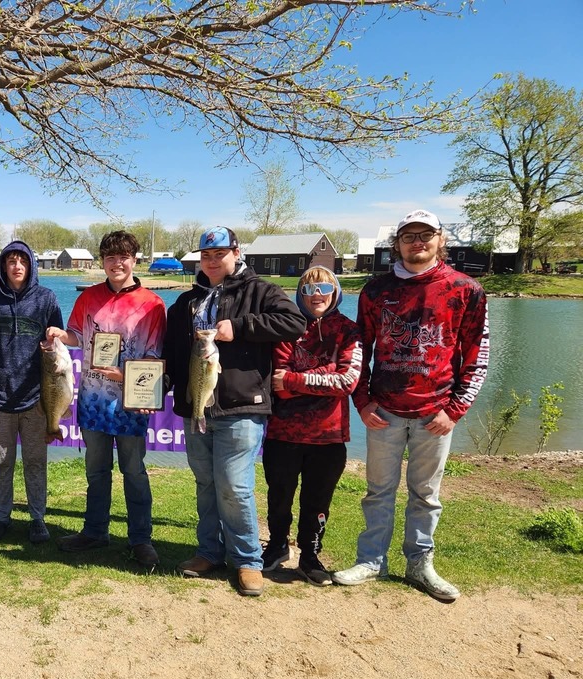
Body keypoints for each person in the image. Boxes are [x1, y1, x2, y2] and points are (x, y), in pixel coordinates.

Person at [333, 209, 489, 602]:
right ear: (397, 243)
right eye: (408, 236)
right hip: (384, 410)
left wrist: (455, 410)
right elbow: (358, 350)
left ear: (440, 240)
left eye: (426, 235)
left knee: (426, 494)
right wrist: (363, 400)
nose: (417, 242)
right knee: (377, 491)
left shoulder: (465, 289)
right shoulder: (375, 290)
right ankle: (371, 560)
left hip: (435, 412)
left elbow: (477, 354)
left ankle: (420, 564)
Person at [163, 227, 306, 596]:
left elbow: (295, 322)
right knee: (206, 483)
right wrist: (151, 388)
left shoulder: (261, 291)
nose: (212, 261)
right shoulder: (185, 303)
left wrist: (240, 327)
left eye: (220, 254)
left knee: (234, 485)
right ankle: (209, 551)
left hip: (242, 406)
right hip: (196, 405)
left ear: (236, 253)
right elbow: (175, 356)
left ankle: (247, 560)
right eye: (206, 255)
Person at [44, 230, 166, 569]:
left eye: (124, 256)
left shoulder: (152, 304)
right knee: (96, 472)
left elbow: (155, 356)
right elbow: (76, 336)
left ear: (135, 260)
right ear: (102, 261)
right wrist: (58, 335)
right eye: (111, 257)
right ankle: (95, 531)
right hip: (94, 402)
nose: (118, 263)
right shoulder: (88, 298)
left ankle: (141, 538)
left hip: (130, 402)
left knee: (134, 472)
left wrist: (126, 376)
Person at [261, 266, 362, 586]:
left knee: (318, 502)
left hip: (329, 436)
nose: (315, 296)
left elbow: (347, 380)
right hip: (283, 432)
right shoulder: (287, 327)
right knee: (279, 497)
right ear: (299, 295)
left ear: (335, 292)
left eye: (323, 289)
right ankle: (277, 546)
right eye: (307, 290)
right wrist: (316, 380)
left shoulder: (348, 330)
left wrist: (295, 380)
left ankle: (310, 554)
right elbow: (276, 380)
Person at [0, 240, 64, 545]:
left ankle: (38, 518)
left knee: (35, 461)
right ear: (3, 266)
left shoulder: (47, 299)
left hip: (38, 399)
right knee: (2, 461)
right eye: (11, 261)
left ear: (31, 265)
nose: (17, 266)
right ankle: (1, 517)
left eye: (22, 261)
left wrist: (54, 337)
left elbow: (58, 347)